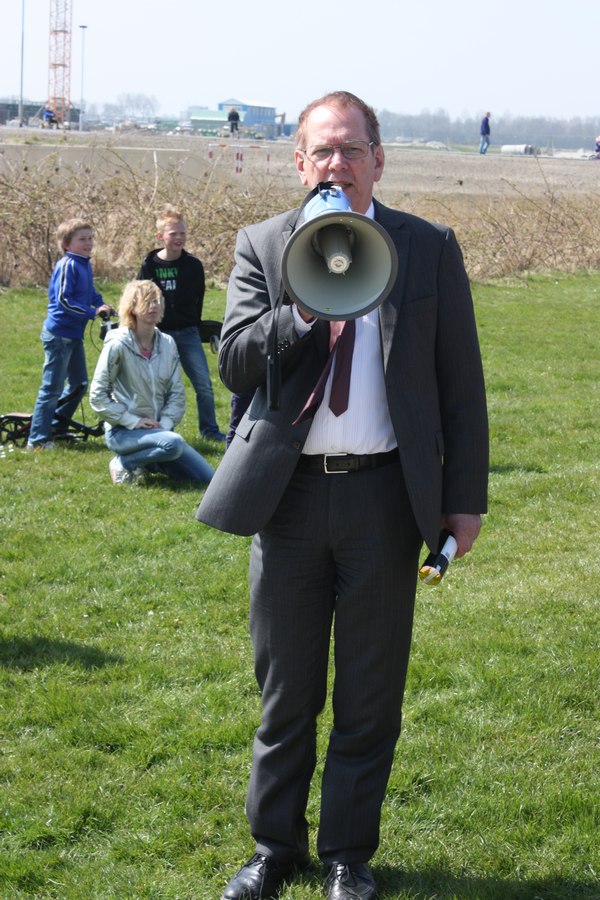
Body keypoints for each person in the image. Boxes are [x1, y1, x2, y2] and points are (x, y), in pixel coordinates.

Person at [196, 90, 489, 900]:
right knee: (286, 689)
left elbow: (460, 385)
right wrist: (306, 309)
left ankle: (347, 857)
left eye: (351, 150)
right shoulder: (263, 244)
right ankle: (272, 847)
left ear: (378, 159)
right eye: (321, 151)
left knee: (369, 691)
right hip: (286, 503)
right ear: (299, 162)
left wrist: (464, 500)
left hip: (383, 502)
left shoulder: (427, 247)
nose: (336, 164)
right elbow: (235, 362)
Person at [89, 280, 214, 486]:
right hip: (124, 432)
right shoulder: (118, 343)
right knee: (174, 444)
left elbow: (177, 394)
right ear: (133, 307)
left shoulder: (168, 343)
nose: (154, 306)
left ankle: (149, 463)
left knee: (207, 479)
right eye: (148, 301)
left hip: (160, 432)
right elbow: (97, 395)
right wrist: (132, 421)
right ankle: (125, 462)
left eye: (157, 301)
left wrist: (164, 424)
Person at [138, 205, 226, 441]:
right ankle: (160, 431)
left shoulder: (193, 265)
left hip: (188, 333)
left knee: (204, 386)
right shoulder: (150, 265)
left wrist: (195, 327)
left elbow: (199, 298)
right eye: (173, 234)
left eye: (182, 233)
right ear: (160, 237)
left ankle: (209, 431)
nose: (178, 238)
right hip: (159, 334)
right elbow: (140, 298)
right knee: (161, 387)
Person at [27, 218, 115, 451]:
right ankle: (37, 440)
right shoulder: (68, 265)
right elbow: (64, 300)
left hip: (73, 336)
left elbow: (89, 294)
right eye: (82, 239)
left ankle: (56, 426)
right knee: (51, 389)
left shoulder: (84, 263)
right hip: (59, 335)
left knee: (79, 385)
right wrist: (91, 312)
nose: (88, 243)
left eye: (90, 238)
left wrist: (102, 305)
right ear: (67, 244)